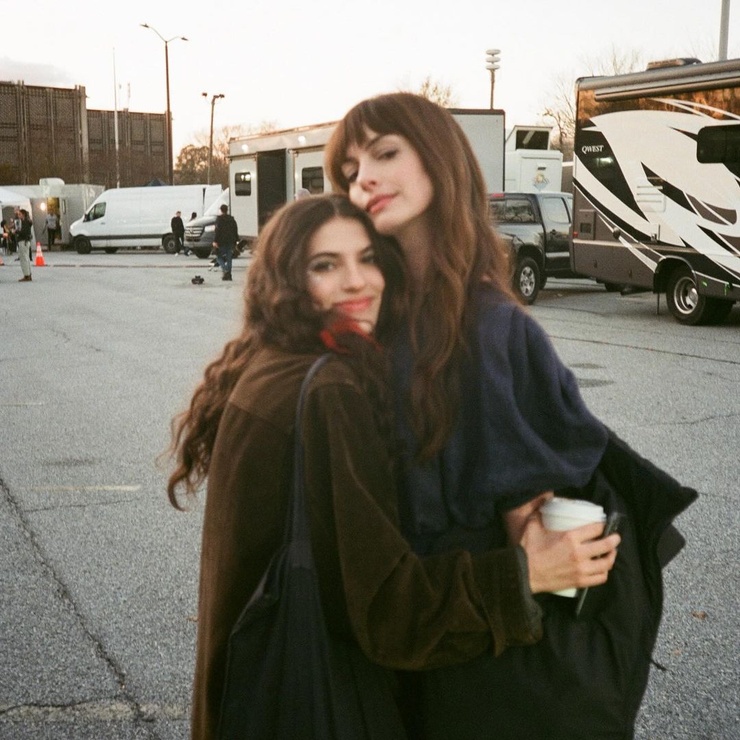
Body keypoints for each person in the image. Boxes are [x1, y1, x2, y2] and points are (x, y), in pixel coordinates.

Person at [166, 194, 618, 740]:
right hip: (309, 707)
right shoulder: (330, 390)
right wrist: (529, 575)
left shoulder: (268, 361)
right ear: (287, 282)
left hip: (247, 701)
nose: (358, 282)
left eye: (368, 258)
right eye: (325, 266)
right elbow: (387, 612)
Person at [324, 92, 696, 739]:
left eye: (384, 154)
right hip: (407, 648)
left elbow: (535, 535)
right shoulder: (384, 312)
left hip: (474, 674)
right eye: (351, 171)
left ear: (439, 161)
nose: (365, 180)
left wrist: (529, 567)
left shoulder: (487, 324)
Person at [212, 203, 238, 281]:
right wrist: (236, 240)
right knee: (229, 258)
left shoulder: (219, 220)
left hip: (221, 241)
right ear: (227, 210)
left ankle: (225, 270)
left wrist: (215, 241)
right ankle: (228, 274)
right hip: (230, 241)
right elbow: (235, 230)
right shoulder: (232, 219)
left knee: (219, 257)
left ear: (221, 210)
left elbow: (217, 231)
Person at [17, 208, 33, 282]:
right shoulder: (26, 222)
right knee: (25, 258)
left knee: (24, 258)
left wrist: (16, 232)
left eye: (19, 214)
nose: (18, 215)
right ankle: (28, 274)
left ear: (23, 215)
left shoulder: (25, 222)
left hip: (24, 241)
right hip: (25, 241)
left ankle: (27, 275)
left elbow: (24, 232)